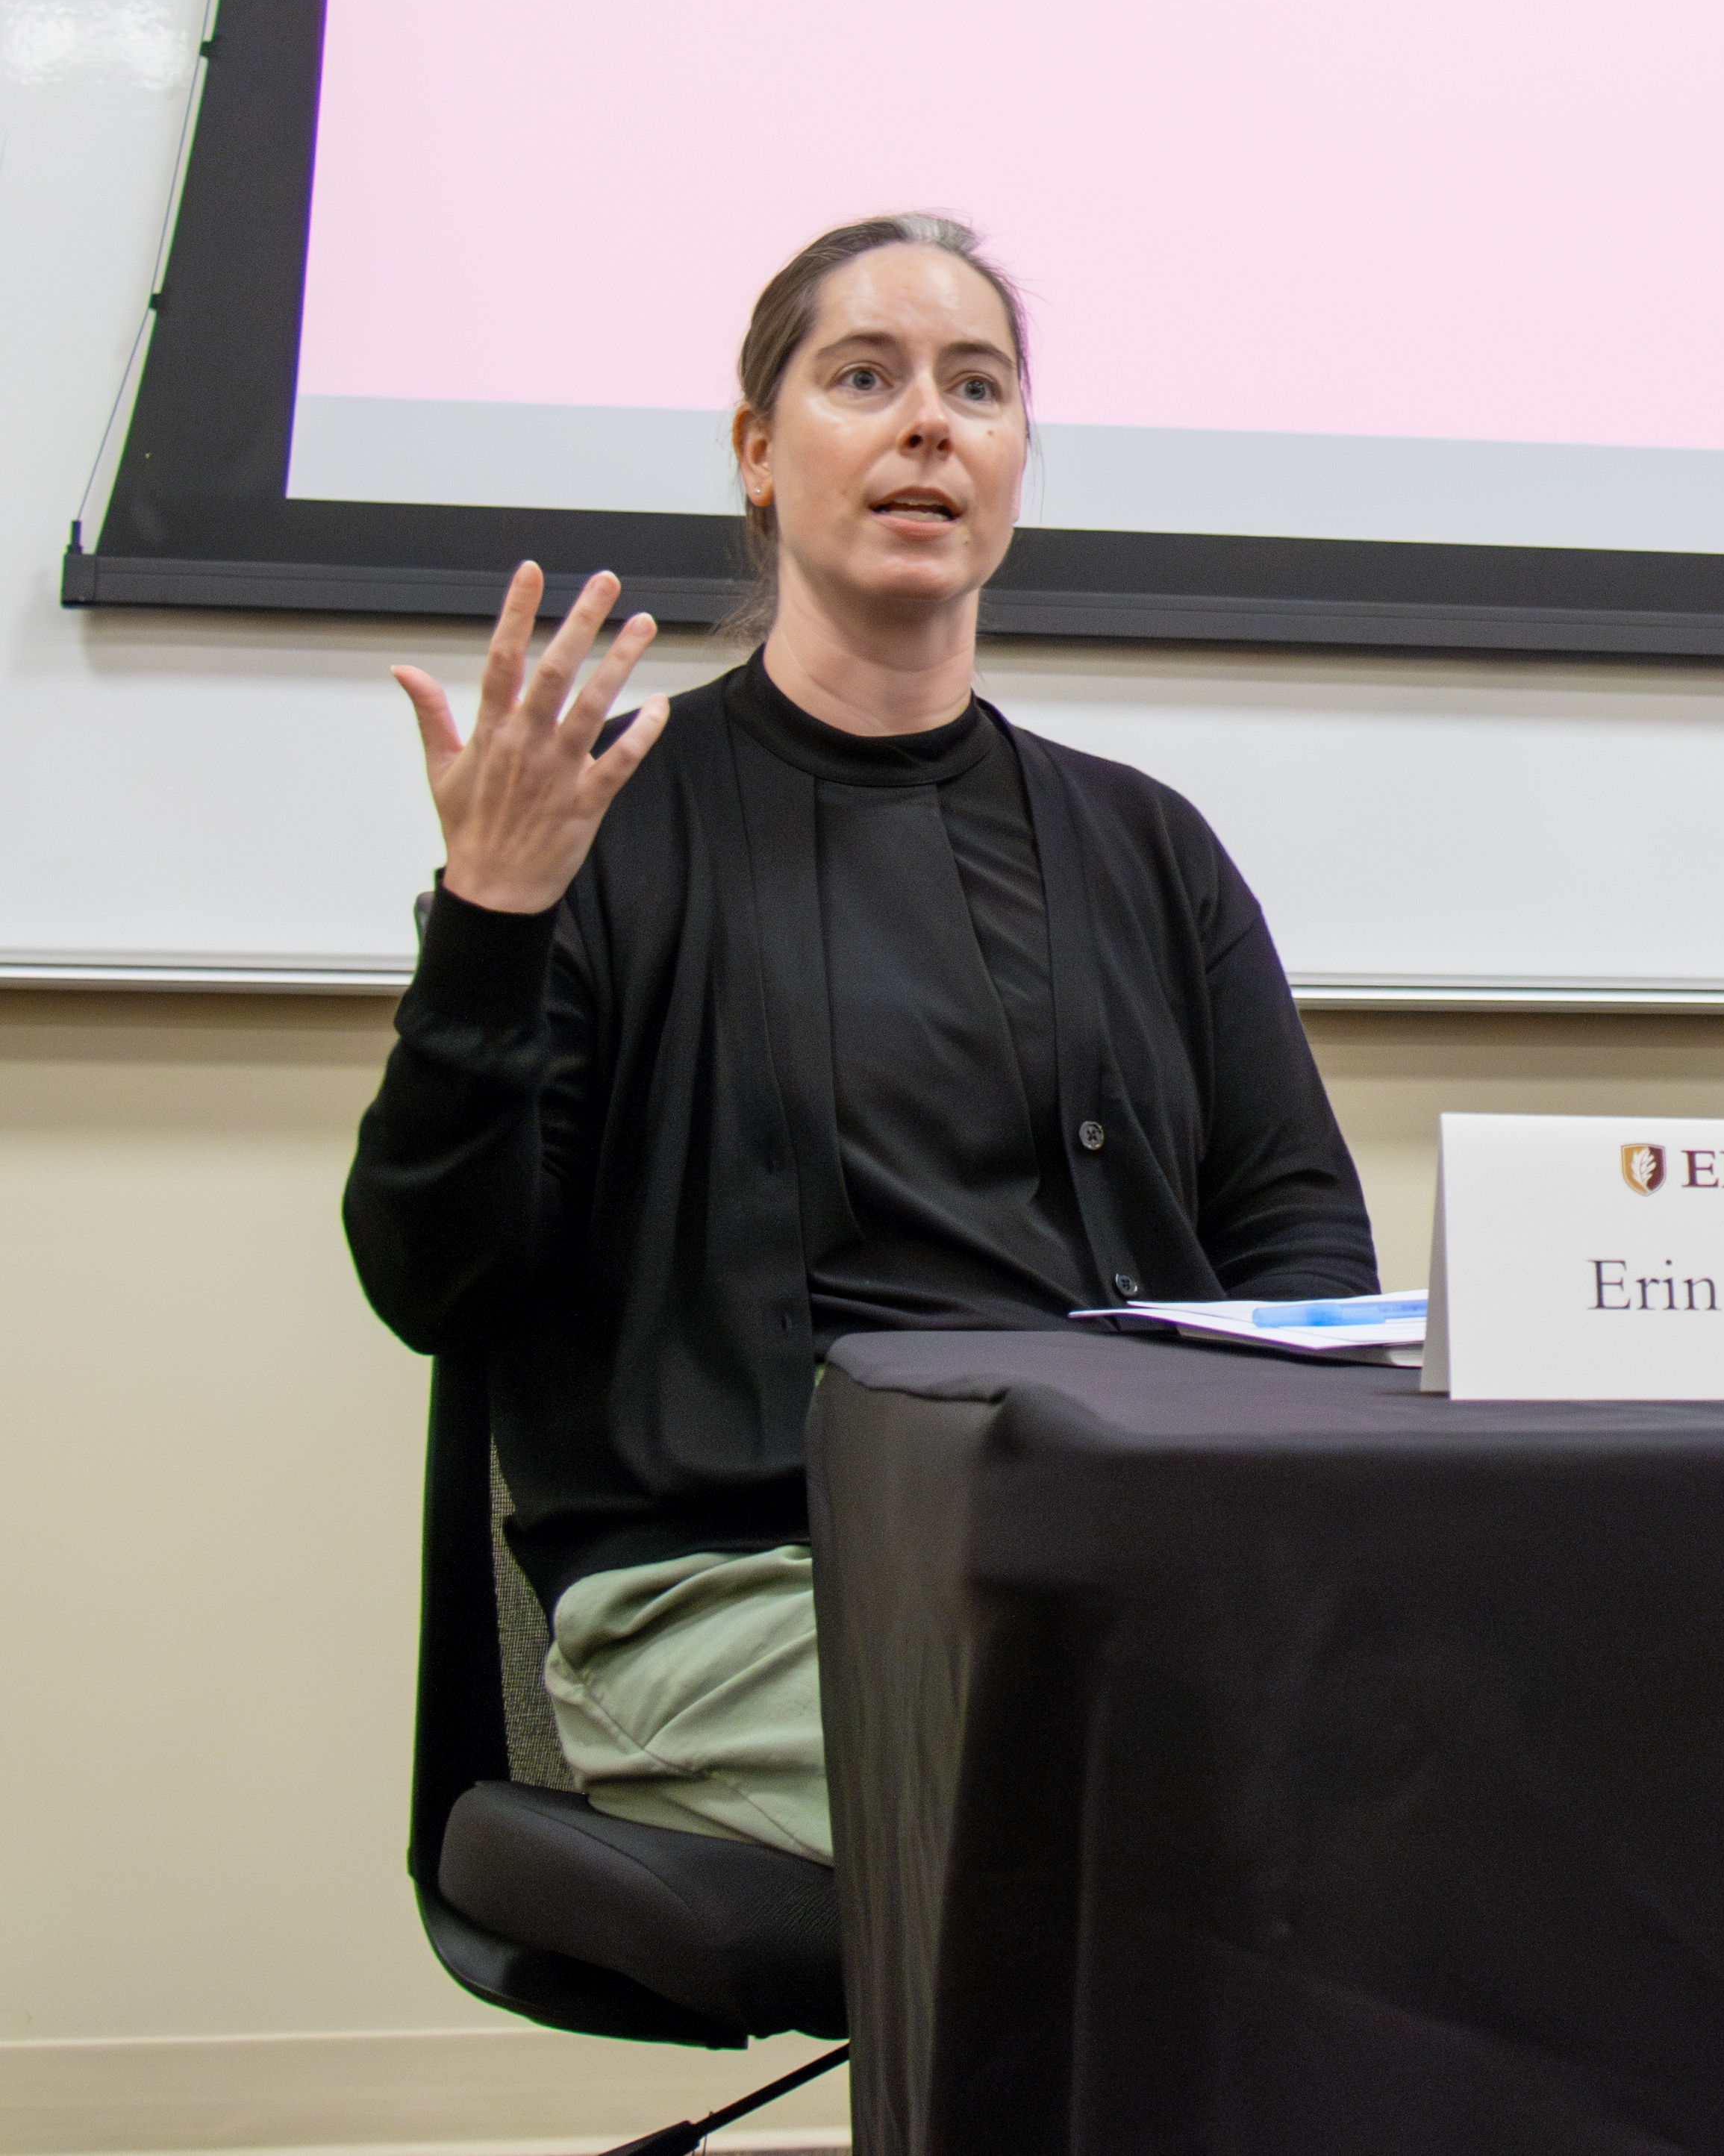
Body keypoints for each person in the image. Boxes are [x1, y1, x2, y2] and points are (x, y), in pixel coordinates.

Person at [343, 215, 1375, 1863]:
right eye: (865, 378)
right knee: (1173, 1808)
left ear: (1019, 458)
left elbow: (1303, 1252)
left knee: (1460, 1750)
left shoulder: (1148, 847)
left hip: (1116, 1562)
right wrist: (490, 918)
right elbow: (434, 1283)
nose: (929, 427)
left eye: (977, 386)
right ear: (759, 454)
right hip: (733, 1599)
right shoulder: (605, 826)